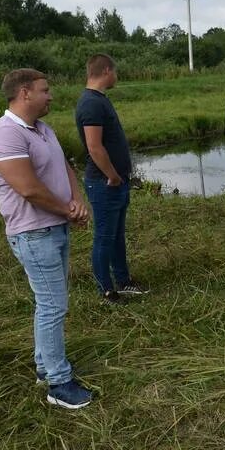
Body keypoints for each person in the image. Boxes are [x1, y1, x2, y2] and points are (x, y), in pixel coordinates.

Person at [0, 69, 93, 409]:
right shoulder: (4, 134)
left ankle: (45, 367)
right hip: (33, 232)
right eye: (46, 90)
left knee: (48, 304)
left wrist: (75, 202)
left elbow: (65, 167)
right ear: (25, 92)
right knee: (53, 306)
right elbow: (28, 189)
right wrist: (66, 210)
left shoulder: (42, 130)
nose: (51, 96)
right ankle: (58, 384)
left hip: (54, 226)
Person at [75, 54, 147, 303]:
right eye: (115, 72)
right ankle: (106, 289)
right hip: (105, 183)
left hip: (114, 182)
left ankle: (123, 281)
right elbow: (94, 147)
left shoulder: (98, 100)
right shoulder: (91, 104)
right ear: (106, 71)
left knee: (116, 235)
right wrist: (113, 176)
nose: (117, 76)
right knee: (105, 237)